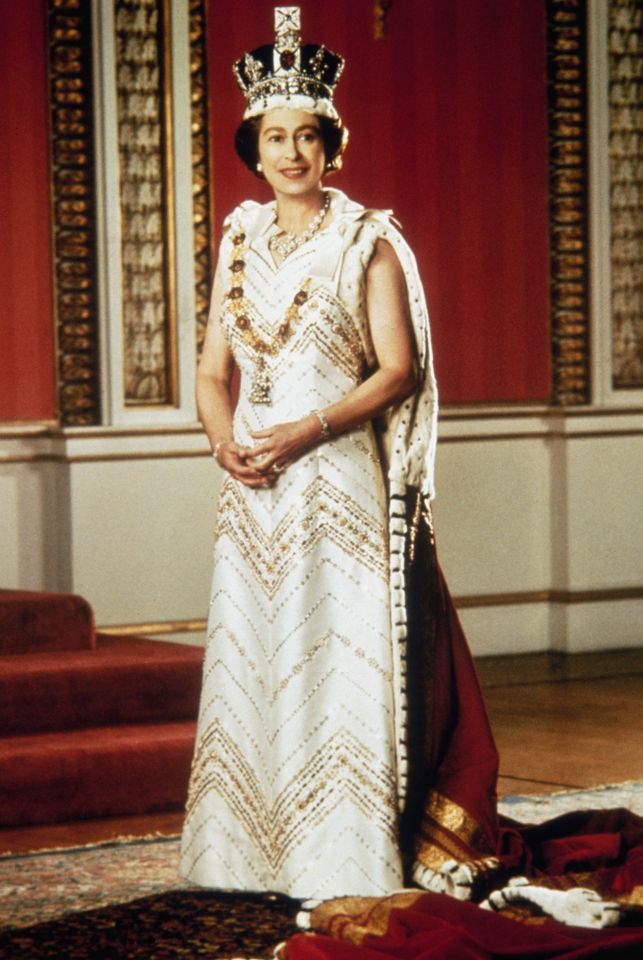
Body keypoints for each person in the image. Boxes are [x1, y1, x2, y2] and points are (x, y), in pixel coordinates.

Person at [179, 5, 466, 901]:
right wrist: (225, 443)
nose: (291, 152)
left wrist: (307, 429)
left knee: (333, 656)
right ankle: (242, 856)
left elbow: (397, 370)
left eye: (307, 135)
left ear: (330, 145)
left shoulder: (366, 239)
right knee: (254, 655)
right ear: (252, 148)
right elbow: (211, 369)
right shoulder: (236, 240)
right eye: (275, 137)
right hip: (254, 486)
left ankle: (338, 857)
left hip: (335, 473)